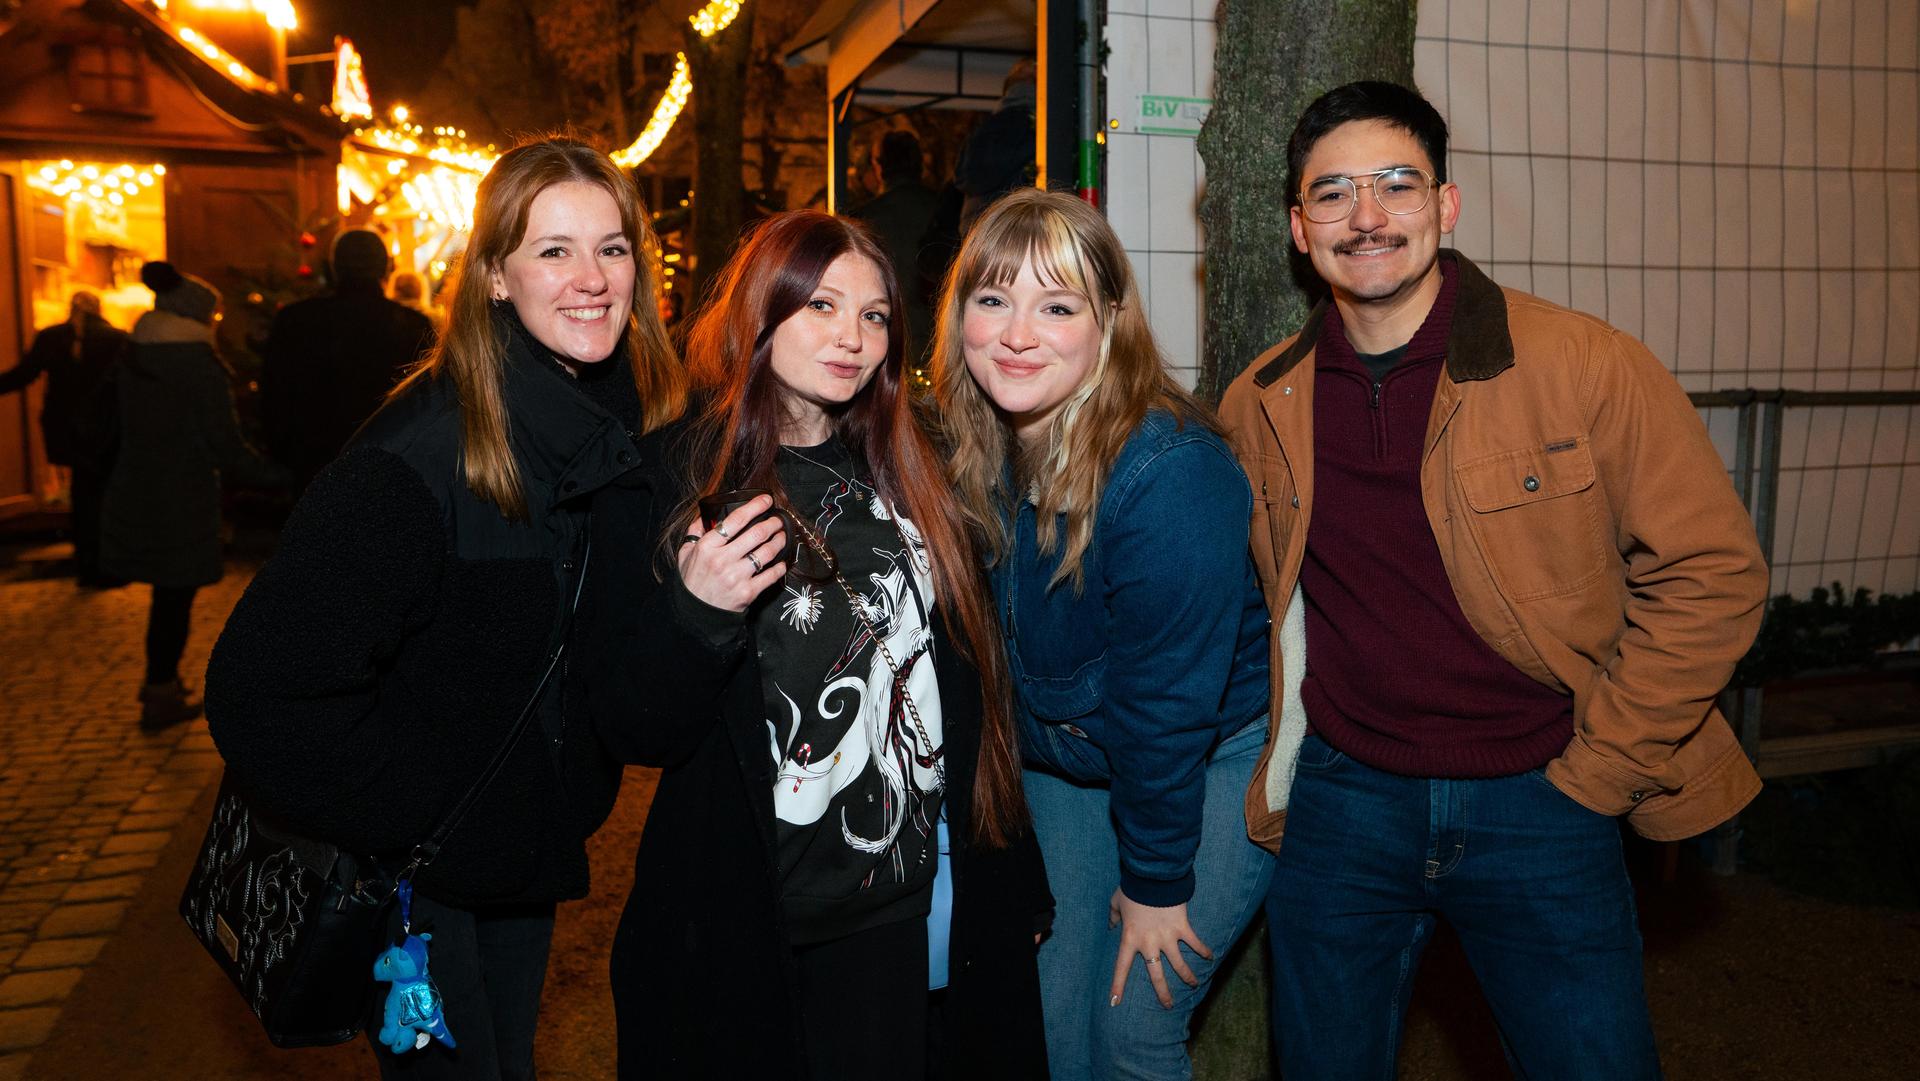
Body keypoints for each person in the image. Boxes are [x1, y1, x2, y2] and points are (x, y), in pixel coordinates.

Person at [1217, 81, 1770, 1080]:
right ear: (1301, 230)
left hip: (1542, 794)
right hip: (1344, 801)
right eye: (1333, 195)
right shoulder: (1261, 402)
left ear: (1446, 204)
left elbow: (1713, 573)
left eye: (1397, 184)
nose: (1369, 216)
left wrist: (1598, 775)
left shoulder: (1583, 364)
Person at [204, 136, 684, 1081]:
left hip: (514, 856)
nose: (591, 279)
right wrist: (415, 818)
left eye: (612, 247)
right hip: (416, 883)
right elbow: (258, 692)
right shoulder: (416, 460)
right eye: (554, 250)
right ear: (497, 278)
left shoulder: (606, 433)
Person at [583, 210, 1050, 1080]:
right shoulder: (663, 479)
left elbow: (970, 695)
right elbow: (629, 723)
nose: (854, 338)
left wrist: (1012, 866)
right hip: (740, 913)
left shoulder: (914, 468)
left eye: (875, 316)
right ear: (762, 310)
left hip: (887, 914)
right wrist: (696, 610)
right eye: (823, 306)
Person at [933, 188, 1278, 1080]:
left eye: (1057, 306)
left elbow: (1166, 710)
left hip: (1202, 759)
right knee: (1048, 1013)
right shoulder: (975, 447)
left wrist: (1158, 883)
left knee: (1133, 1030)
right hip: (1069, 759)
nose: (1017, 333)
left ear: (1110, 324)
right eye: (993, 299)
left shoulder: (1170, 473)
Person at [100, 263, 285, 730]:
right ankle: (160, 690)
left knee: (168, 593)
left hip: (137, 484)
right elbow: (224, 443)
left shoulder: (134, 356)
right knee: (174, 594)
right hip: (183, 491)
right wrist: (276, 475)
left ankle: (160, 682)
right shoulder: (197, 366)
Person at [261, 228, 436, 494]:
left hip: (314, 465)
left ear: (334, 267)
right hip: (392, 470)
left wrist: (286, 456)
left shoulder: (297, 320)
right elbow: (430, 405)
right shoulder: (412, 326)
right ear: (385, 268)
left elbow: (274, 396)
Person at [0, 291, 128, 584]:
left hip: (64, 428)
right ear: (99, 309)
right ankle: (103, 564)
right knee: (103, 494)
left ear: (71, 309)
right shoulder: (118, 338)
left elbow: (23, 375)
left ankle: (87, 562)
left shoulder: (50, 337)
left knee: (83, 494)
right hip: (106, 429)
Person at [850, 130, 940, 364]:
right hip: (938, 338)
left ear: (879, 166)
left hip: (887, 340)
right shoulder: (945, 211)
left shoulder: (863, 219)